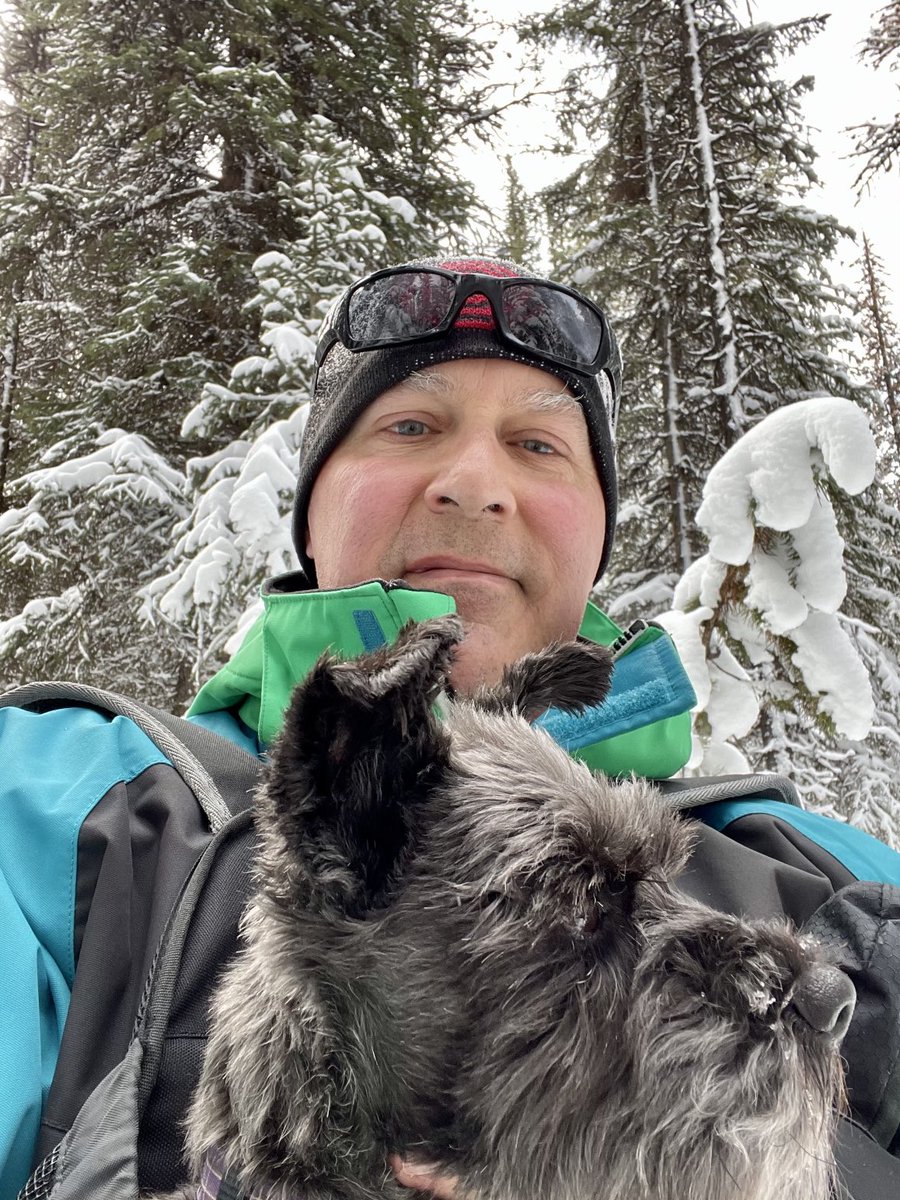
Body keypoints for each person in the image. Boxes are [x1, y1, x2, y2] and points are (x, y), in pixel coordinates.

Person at [1, 255, 899, 1199]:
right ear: (312, 511)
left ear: (597, 534)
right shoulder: (53, 809)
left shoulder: (833, 879)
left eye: (539, 446)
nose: (475, 484)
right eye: (412, 425)